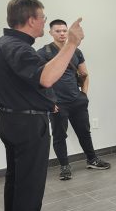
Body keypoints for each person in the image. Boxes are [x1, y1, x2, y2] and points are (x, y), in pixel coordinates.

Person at [0, 0, 76, 211]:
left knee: (16, 182)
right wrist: (71, 43)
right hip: (27, 124)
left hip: (9, 120)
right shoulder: (19, 48)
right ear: (31, 20)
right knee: (29, 186)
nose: (45, 23)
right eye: (44, 18)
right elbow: (47, 77)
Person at [37, 20, 110, 180]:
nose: (62, 33)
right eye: (58, 31)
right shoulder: (43, 53)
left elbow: (84, 74)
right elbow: (40, 81)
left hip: (77, 101)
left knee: (84, 132)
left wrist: (83, 95)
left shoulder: (76, 52)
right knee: (59, 136)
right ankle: (64, 167)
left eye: (64, 30)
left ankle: (92, 160)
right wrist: (49, 103)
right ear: (51, 33)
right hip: (57, 104)